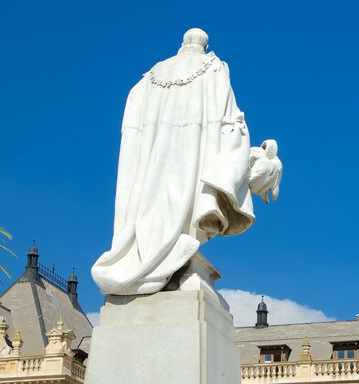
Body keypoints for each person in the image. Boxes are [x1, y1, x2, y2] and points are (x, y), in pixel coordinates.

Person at [92, 28, 272, 296]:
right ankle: (170, 249)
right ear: (205, 45)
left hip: (149, 163)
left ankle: (144, 255)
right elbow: (231, 123)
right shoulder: (214, 69)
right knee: (185, 202)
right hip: (192, 156)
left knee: (151, 206)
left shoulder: (146, 81)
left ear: (182, 44)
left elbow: (131, 135)